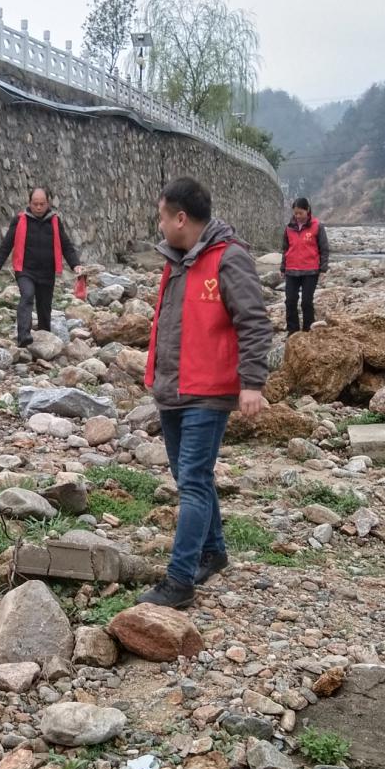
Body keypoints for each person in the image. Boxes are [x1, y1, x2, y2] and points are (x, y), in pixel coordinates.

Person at [138, 177, 271, 610]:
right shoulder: (176, 260)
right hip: (173, 389)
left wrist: (252, 384)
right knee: (190, 477)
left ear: (180, 218)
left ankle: (179, 582)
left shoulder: (230, 259)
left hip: (208, 393)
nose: (159, 225)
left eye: (161, 216)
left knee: (192, 482)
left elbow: (253, 321)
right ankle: (213, 552)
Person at [0, 187, 83, 347]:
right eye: (35, 204)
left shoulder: (55, 221)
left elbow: (66, 245)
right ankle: (23, 336)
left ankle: (45, 339)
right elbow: (6, 244)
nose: (38, 207)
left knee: (45, 307)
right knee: (27, 295)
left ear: (48, 203)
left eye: (42, 204)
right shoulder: (20, 220)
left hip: (47, 272)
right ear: (29, 203)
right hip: (25, 270)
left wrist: (76, 265)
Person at [280, 196, 329, 334]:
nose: (297, 216)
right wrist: (283, 268)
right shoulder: (289, 228)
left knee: (306, 302)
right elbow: (285, 249)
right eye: (295, 213)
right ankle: (292, 331)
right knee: (290, 301)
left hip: (310, 271)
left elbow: (324, 249)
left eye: (300, 213)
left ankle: (308, 330)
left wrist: (323, 269)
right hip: (291, 271)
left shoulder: (317, 226)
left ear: (307, 210)